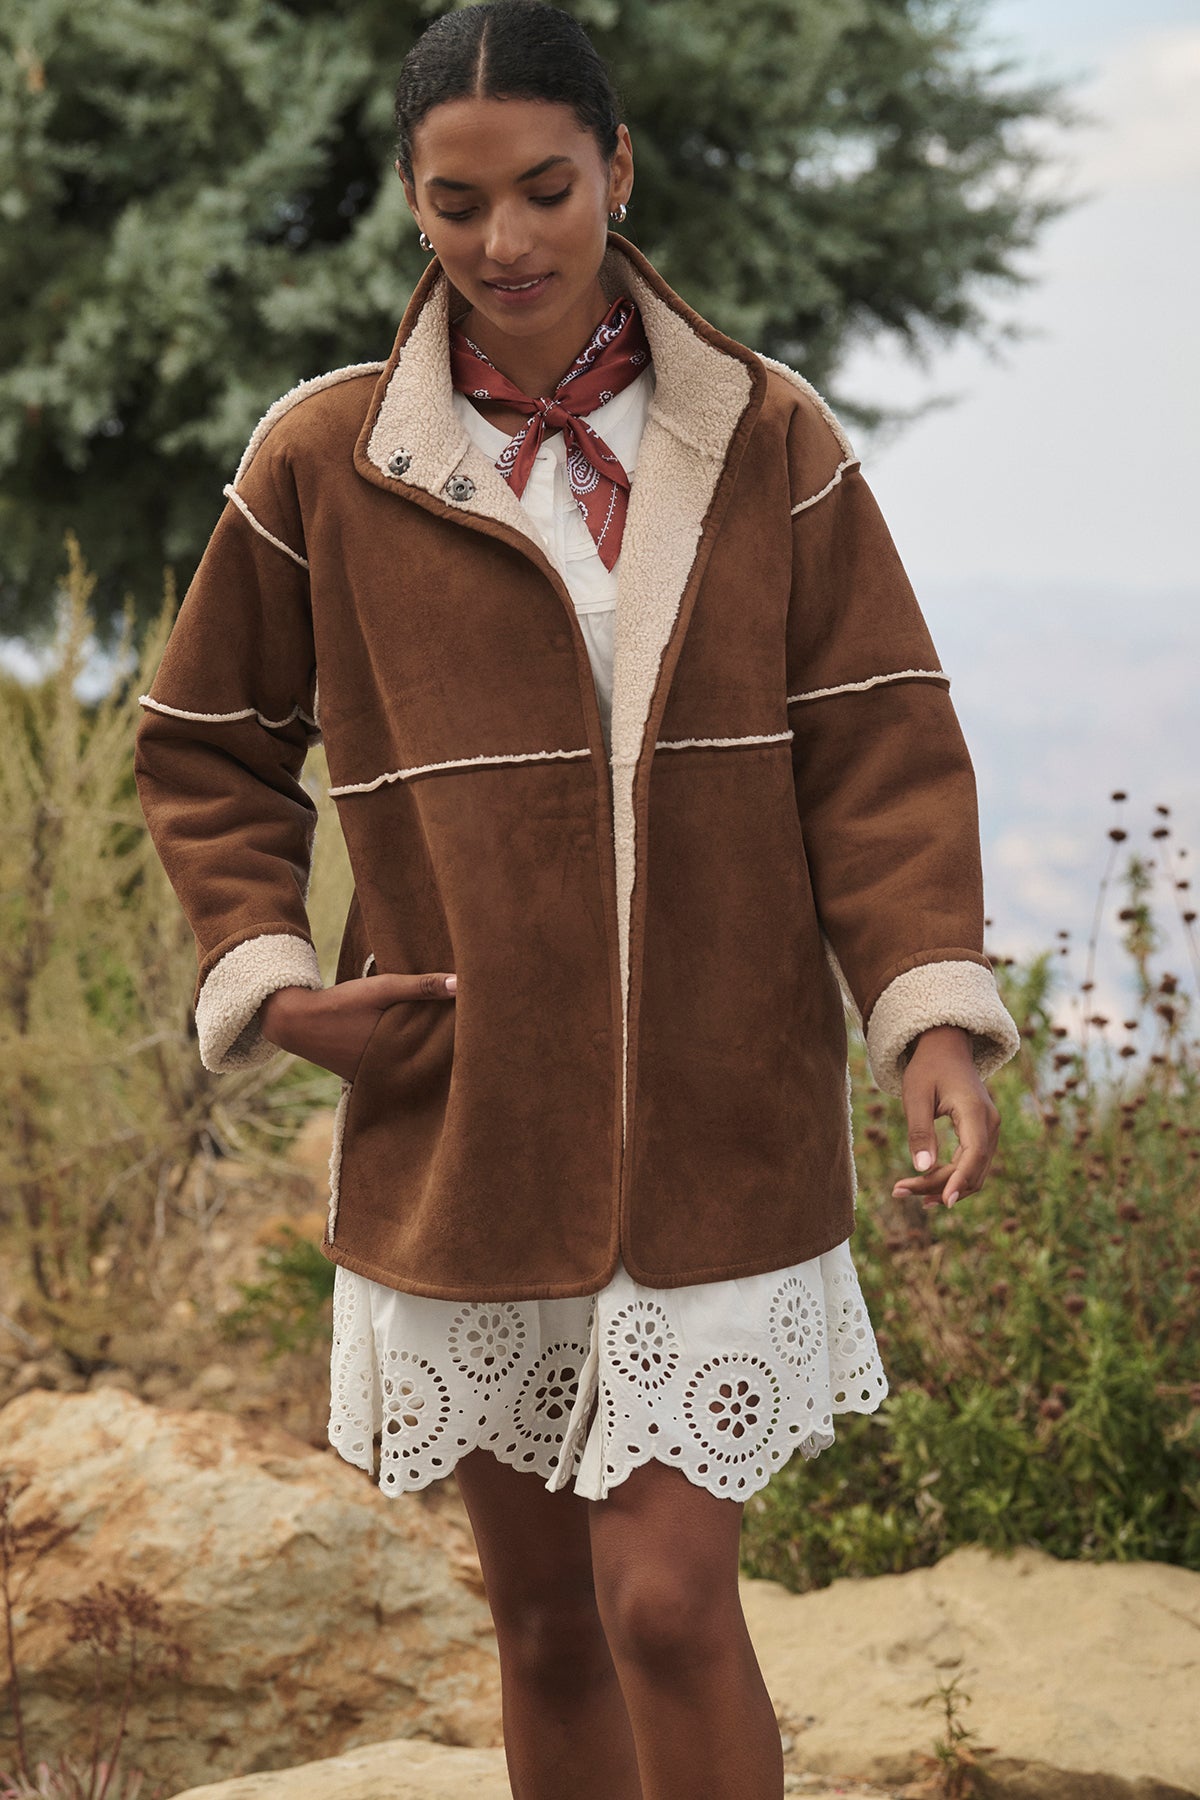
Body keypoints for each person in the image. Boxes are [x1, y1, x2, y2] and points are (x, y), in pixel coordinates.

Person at [133, 3, 1020, 1794]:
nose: (506, 241)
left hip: (722, 1117)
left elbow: (881, 748)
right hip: (469, 1119)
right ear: (412, 206)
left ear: (619, 170)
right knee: (541, 1628)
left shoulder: (762, 435)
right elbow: (207, 745)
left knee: (672, 1608)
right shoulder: (326, 458)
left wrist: (927, 1010)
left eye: (547, 189)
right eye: (457, 204)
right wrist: (282, 989)